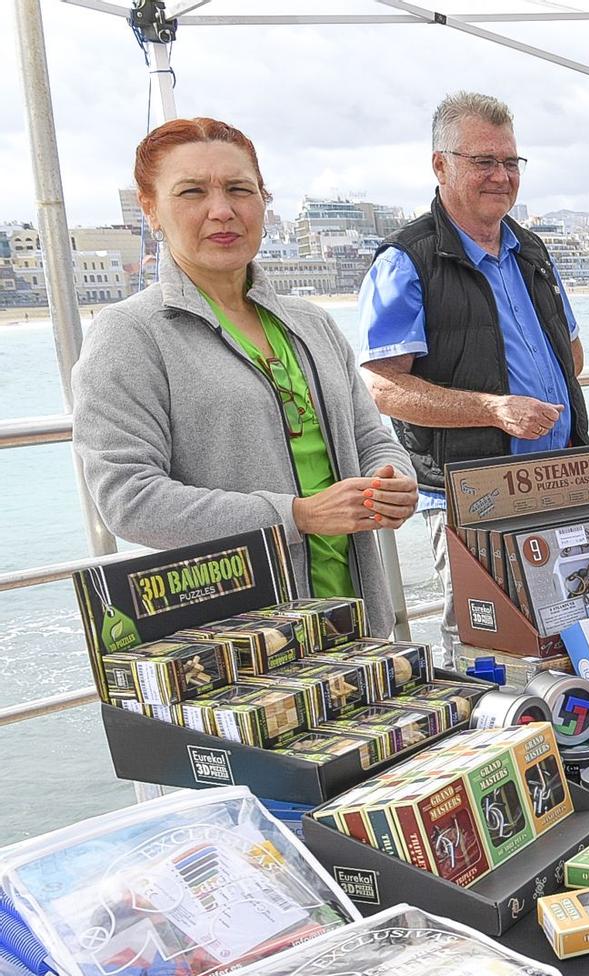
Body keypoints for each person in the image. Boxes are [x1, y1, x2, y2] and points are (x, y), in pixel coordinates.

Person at [73, 118, 417, 631]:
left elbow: (371, 438)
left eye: (240, 189)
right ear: (151, 210)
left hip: (358, 621)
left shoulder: (310, 323)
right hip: (242, 642)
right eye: (192, 192)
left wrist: (395, 479)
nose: (222, 210)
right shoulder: (130, 334)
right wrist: (295, 516)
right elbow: (128, 499)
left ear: (263, 200)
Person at [359, 91, 589, 649]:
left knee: (577, 625)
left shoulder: (531, 249)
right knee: (486, 642)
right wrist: (493, 408)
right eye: (483, 161)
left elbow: (573, 354)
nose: (501, 176)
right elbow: (384, 388)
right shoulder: (406, 260)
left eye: (511, 162)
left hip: (566, 479)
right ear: (441, 165)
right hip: (473, 496)